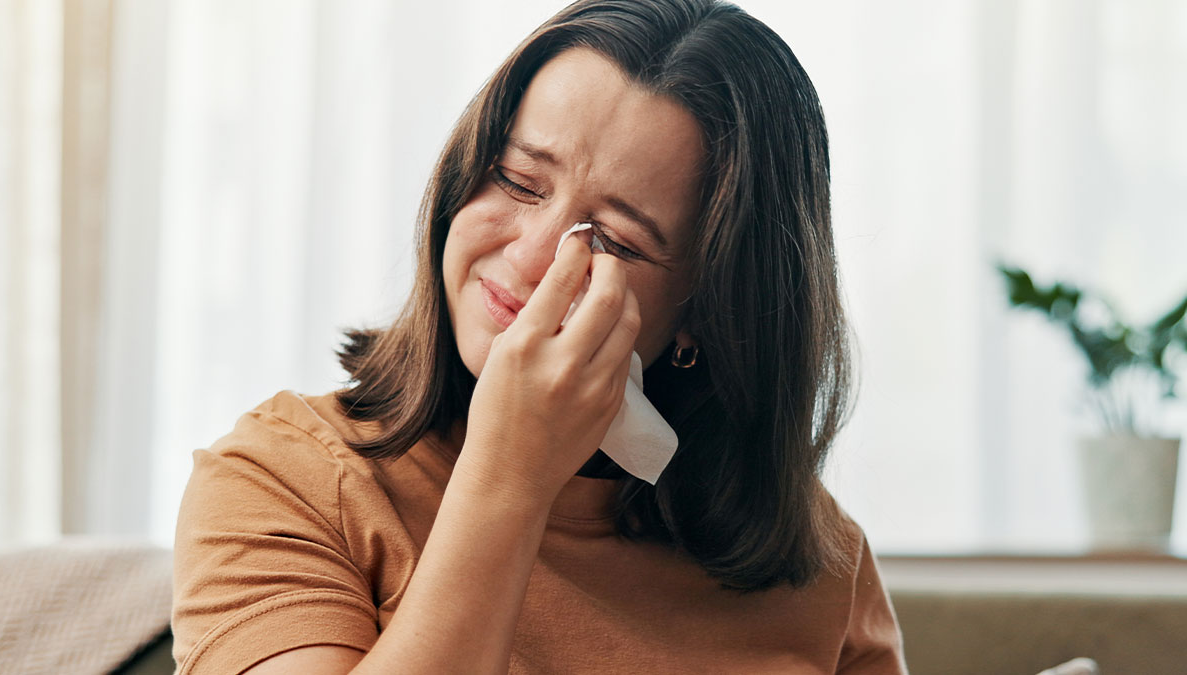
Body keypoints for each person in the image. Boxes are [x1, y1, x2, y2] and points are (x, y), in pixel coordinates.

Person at [171, 0, 908, 672]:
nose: (530, 258)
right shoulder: (283, 478)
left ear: (705, 309)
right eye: (519, 181)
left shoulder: (818, 556)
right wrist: (510, 477)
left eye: (614, 240)